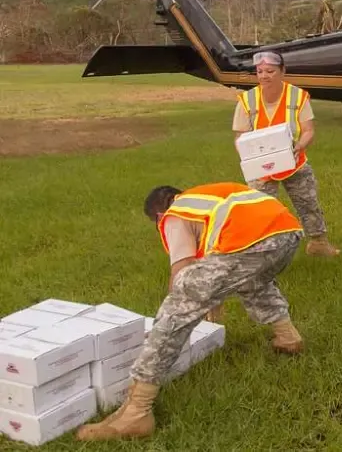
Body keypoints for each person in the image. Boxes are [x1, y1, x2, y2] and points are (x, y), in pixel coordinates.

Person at [75, 182, 305, 441]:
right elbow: (222, 266)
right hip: (288, 235)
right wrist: (211, 297)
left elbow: (182, 271)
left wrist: (176, 306)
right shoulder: (205, 201)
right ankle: (287, 337)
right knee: (253, 282)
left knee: (179, 305)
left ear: (159, 215)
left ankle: (137, 411)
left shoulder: (175, 214)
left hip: (256, 242)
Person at [233, 50, 340, 257]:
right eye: (260, 71)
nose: (264, 76)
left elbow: (308, 130)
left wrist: (300, 145)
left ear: (282, 71)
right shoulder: (247, 100)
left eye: (270, 71)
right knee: (260, 210)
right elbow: (240, 137)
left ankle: (318, 243)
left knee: (308, 203)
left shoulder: (297, 96)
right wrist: (249, 158)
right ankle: (263, 252)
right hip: (261, 167)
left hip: (294, 161)